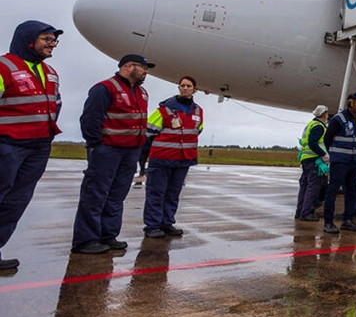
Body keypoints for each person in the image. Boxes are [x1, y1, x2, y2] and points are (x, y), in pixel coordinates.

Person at [72, 54, 152, 254]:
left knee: (117, 195)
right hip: (108, 150)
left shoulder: (142, 93)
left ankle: (108, 235)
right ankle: (86, 240)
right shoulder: (105, 88)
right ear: (127, 67)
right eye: (142, 67)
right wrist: (96, 144)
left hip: (130, 151)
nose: (145, 71)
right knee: (95, 194)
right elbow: (90, 118)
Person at [0, 21, 63, 270]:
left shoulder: (50, 72)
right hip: (8, 145)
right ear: (28, 40)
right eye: (46, 39)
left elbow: (56, 104)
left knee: (17, 201)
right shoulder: (4, 67)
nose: (51, 45)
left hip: (38, 146)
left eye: (53, 41)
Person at [142, 76, 204, 238]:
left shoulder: (198, 111)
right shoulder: (164, 110)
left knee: (173, 193)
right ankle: (152, 225)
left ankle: (167, 222)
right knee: (156, 193)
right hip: (162, 158)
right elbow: (148, 132)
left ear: (194, 89)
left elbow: (197, 130)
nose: (185, 88)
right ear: (178, 88)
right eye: (182, 85)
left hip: (183, 159)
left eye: (188, 86)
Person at [322, 91, 356, 233]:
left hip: (354, 163)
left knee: (352, 192)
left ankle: (347, 220)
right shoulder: (338, 119)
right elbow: (327, 139)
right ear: (350, 103)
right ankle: (328, 222)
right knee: (333, 191)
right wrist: (333, 155)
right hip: (340, 162)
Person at [295, 105, 330, 222]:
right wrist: (323, 155)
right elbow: (313, 143)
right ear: (324, 114)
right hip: (314, 159)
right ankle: (306, 212)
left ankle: (300, 211)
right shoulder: (319, 126)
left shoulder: (310, 124)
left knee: (304, 186)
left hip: (306, 159)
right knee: (313, 187)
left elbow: (306, 142)